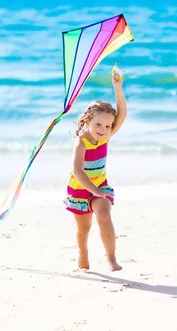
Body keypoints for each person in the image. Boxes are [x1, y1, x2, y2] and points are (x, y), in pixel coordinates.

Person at [64, 69, 126, 272]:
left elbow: (122, 113)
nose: (103, 129)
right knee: (84, 229)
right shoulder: (81, 143)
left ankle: (111, 258)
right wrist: (93, 190)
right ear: (87, 121)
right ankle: (83, 254)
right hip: (80, 190)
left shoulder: (105, 137)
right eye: (98, 124)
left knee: (104, 216)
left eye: (108, 126)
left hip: (99, 186)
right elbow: (78, 171)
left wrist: (118, 87)